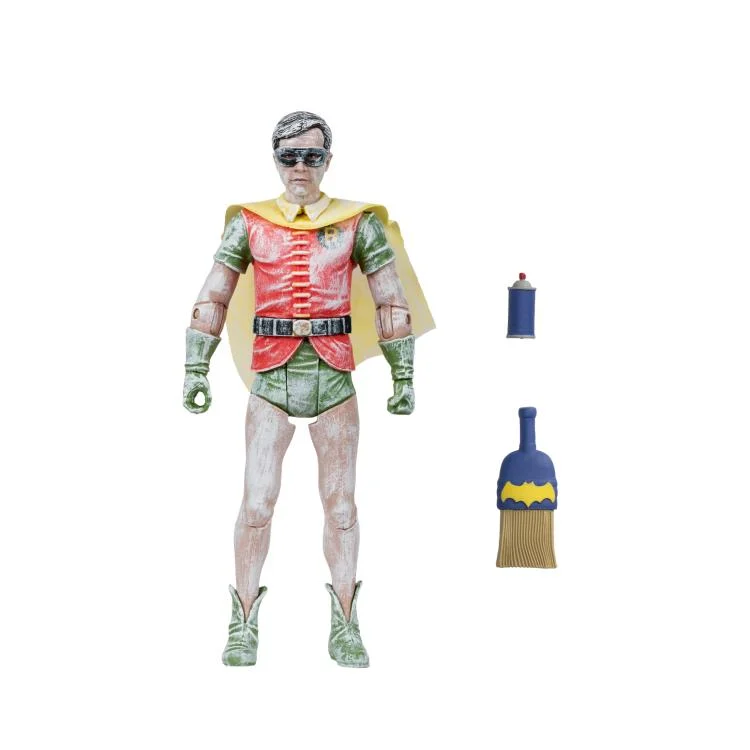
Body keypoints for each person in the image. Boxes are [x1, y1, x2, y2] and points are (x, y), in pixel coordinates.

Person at [183, 111, 433, 667]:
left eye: (312, 156)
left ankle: (346, 621)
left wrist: (404, 373)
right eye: (290, 156)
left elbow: (390, 298)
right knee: (256, 503)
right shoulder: (249, 222)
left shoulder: (357, 224)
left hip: (334, 377)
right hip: (270, 377)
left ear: (327, 161)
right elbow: (214, 294)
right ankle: (243, 620)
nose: (300, 167)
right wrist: (196, 366)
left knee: (341, 506)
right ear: (275, 159)